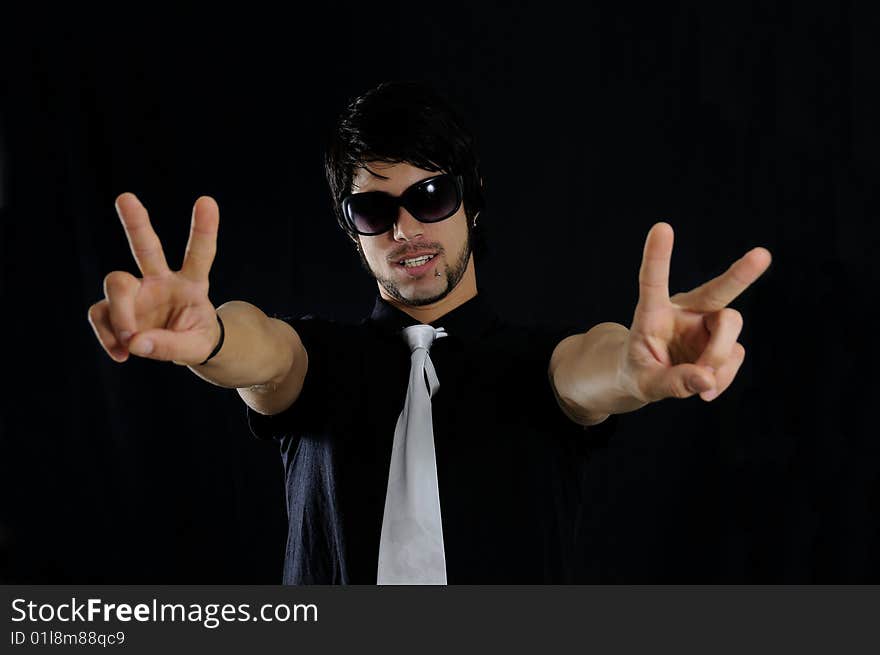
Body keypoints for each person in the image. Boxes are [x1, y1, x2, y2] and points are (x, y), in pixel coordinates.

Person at [87, 81, 772, 584]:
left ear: (472, 204)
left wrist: (632, 367)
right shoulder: (317, 361)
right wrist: (207, 339)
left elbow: (588, 370)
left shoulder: (539, 364)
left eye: (430, 196)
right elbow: (262, 350)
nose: (405, 230)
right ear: (350, 232)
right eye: (372, 209)